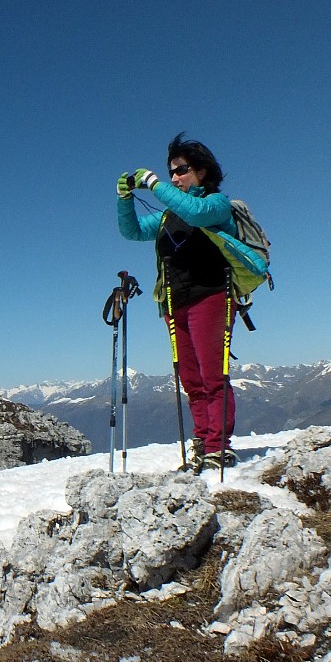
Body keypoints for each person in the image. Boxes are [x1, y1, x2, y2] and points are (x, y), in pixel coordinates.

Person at [116, 133, 239, 471]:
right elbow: (133, 231)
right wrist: (124, 197)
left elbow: (196, 213)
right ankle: (203, 441)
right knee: (191, 378)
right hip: (175, 304)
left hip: (210, 296)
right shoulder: (169, 216)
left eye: (181, 170)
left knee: (213, 375)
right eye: (170, 171)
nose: (174, 178)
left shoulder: (215, 204)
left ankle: (219, 446)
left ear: (201, 171)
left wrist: (152, 183)